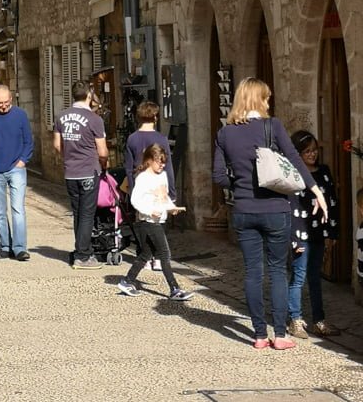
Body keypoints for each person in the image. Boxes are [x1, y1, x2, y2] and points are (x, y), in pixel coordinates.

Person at [213, 77, 328, 350]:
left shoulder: (225, 133)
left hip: (243, 210)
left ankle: (259, 335)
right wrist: (316, 191)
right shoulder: (272, 125)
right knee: (277, 270)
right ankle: (279, 335)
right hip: (276, 209)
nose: (268, 102)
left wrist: (241, 185)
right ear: (258, 99)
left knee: (253, 271)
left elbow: (218, 176)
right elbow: (295, 159)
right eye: (266, 98)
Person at [118, 143, 192, 300]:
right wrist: (148, 211)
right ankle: (174, 289)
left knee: (145, 254)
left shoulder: (163, 175)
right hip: (148, 222)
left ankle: (127, 281)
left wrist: (171, 208)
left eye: (164, 161)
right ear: (150, 160)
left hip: (158, 220)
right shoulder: (143, 178)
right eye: (159, 161)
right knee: (164, 254)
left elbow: (163, 197)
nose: (162, 165)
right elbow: (135, 199)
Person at [287, 130, 340, 339]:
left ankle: (319, 320)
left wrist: (333, 233)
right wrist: (293, 238)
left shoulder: (324, 172)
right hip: (300, 233)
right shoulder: (294, 175)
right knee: (298, 277)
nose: (312, 154)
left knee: (315, 278)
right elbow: (290, 207)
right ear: (298, 153)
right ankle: (295, 319)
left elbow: (332, 202)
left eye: (314, 150)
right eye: (307, 151)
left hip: (319, 232)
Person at [53, 80, 108, 269]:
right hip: (88, 170)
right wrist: (104, 163)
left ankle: (79, 250)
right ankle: (83, 255)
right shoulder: (94, 119)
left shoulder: (61, 116)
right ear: (89, 96)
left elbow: (57, 145)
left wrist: (68, 156)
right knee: (87, 214)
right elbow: (102, 151)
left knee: (77, 213)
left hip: (70, 172)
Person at [0, 85, 33, 261]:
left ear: (11, 100)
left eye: (5, 103)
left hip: (16, 169)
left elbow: (28, 141)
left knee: (18, 209)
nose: (2, 107)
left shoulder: (20, 115)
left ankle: (19, 248)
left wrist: (22, 161)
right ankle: (5, 246)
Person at [124, 100, 176, 271]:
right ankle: (159, 258)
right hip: (158, 185)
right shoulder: (160, 138)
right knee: (159, 221)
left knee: (143, 222)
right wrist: (171, 192)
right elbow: (167, 167)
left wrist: (132, 189)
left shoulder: (132, 139)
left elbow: (129, 167)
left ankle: (144, 255)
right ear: (155, 116)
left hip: (140, 185)